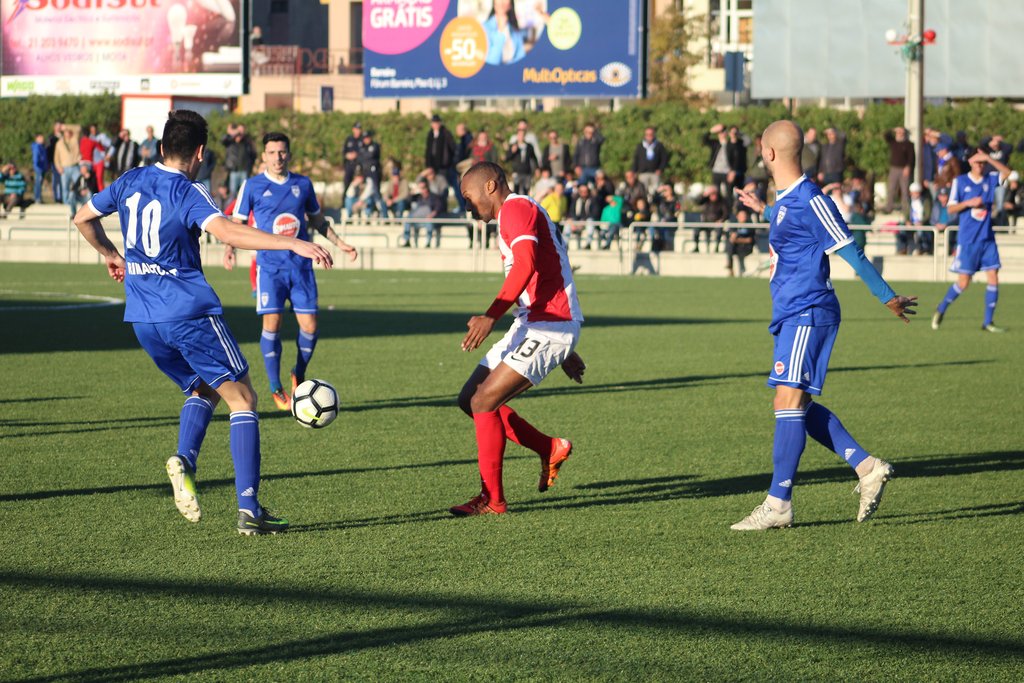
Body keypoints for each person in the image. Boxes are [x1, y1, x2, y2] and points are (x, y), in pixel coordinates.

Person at [73, 109, 334, 535]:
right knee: (243, 399)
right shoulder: (190, 191)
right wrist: (292, 243)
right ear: (199, 153)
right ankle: (249, 509)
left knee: (203, 388)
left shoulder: (130, 180)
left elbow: (83, 218)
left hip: (143, 319)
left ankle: (185, 460)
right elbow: (228, 232)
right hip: (189, 314)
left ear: (162, 147)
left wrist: (111, 254)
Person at [731, 119, 916, 531]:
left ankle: (778, 503)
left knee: (787, 401)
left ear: (768, 153)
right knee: (795, 404)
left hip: (808, 311)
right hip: (791, 312)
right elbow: (789, 222)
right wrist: (761, 209)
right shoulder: (786, 200)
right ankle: (866, 467)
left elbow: (851, 251)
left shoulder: (812, 199)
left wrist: (887, 296)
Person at [452, 161, 584, 516]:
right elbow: (547, 269)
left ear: (490, 186)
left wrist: (490, 315)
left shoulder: (516, 208)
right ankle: (549, 447)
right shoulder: (512, 215)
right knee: (470, 399)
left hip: (549, 326)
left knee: (483, 402)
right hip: (536, 324)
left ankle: (492, 500)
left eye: (467, 196)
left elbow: (526, 265)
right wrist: (565, 350)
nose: (466, 206)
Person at [225, 132, 359, 410]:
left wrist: (341, 243)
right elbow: (237, 224)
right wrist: (229, 248)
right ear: (264, 156)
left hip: (301, 269)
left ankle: (299, 373)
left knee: (310, 326)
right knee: (272, 323)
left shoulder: (303, 184)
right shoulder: (252, 185)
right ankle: (276, 387)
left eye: (282, 152)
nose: (278, 157)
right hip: (270, 269)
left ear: (289, 154)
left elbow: (318, 221)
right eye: (272, 152)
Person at [932, 149, 1012, 333]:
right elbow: (951, 209)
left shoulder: (990, 179)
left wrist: (989, 158)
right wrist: (968, 203)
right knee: (964, 283)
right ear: (970, 163)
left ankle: (988, 322)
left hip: (987, 239)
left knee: (993, 276)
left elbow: (1007, 173)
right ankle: (941, 308)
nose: (980, 165)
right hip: (968, 240)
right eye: (977, 162)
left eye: (983, 163)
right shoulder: (960, 182)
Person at [401, 178, 446, 248]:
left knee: (429, 221)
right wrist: (411, 193)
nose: (422, 189)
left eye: (423, 187)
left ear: (427, 187)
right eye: (420, 188)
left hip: (428, 219)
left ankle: (428, 243)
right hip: (417, 219)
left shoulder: (434, 197)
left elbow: (439, 207)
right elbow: (407, 202)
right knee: (407, 219)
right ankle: (407, 241)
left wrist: (432, 214)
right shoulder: (417, 197)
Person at [425, 114, 457, 204]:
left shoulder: (445, 133)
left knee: (443, 187)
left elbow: (452, 148)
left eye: (437, 123)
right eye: (433, 123)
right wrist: (428, 165)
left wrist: (449, 161)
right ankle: (436, 205)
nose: (435, 125)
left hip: (444, 166)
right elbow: (428, 151)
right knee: (434, 187)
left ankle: (443, 205)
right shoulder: (430, 134)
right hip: (433, 166)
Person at [883, 126, 915, 213]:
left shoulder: (909, 144)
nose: (900, 134)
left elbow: (911, 158)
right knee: (891, 189)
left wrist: (908, 167)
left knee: (905, 190)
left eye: (901, 132)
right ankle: (889, 208)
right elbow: (885, 134)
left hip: (904, 169)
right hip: (894, 168)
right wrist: (893, 129)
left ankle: (905, 210)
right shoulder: (893, 142)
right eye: (898, 132)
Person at [631, 127, 669, 198]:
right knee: (643, 192)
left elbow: (664, 159)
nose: (649, 136)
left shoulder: (659, 145)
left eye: (650, 134)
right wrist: (634, 171)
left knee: (656, 192)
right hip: (643, 173)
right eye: (647, 134)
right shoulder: (640, 146)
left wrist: (660, 169)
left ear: (654, 135)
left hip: (655, 173)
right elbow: (636, 159)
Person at [54, 125, 83, 214]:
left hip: (75, 167)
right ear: (64, 133)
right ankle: (66, 204)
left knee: (79, 185)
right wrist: (58, 167)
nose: (68, 133)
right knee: (65, 187)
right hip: (64, 168)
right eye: (66, 131)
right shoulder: (59, 143)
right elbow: (56, 157)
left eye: (69, 131)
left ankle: (79, 201)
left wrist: (65, 126)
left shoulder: (75, 139)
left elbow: (78, 128)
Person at [222, 123, 256, 197]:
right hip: (233, 170)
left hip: (245, 170)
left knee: (244, 192)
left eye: (242, 130)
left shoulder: (247, 141)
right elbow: (223, 140)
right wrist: (231, 134)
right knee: (233, 193)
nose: (240, 133)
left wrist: (250, 166)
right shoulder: (230, 142)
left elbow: (253, 154)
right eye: (239, 131)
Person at [901, 182, 933, 255]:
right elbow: (905, 213)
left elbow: (927, 214)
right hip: (911, 222)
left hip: (921, 223)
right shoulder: (907, 201)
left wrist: (921, 222)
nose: (915, 194)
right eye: (913, 193)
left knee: (921, 232)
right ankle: (903, 248)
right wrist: (907, 221)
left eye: (917, 193)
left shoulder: (925, 201)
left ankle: (923, 249)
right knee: (902, 229)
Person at [506, 128, 538, 196]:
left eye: (522, 135)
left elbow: (534, 158)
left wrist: (537, 168)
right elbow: (507, 158)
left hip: (527, 172)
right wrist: (512, 151)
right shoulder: (513, 146)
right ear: (517, 136)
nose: (521, 137)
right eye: (519, 135)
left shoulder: (529, 146)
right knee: (516, 191)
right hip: (517, 172)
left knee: (526, 191)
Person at [342, 121, 363, 197]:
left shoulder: (362, 140)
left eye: (359, 129)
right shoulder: (349, 139)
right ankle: (344, 201)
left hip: (358, 165)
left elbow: (364, 152)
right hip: (349, 165)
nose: (358, 131)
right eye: (356, 129)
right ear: (353, 129)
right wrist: (347, 155)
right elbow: (344, 151)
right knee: (346, 184)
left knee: (357, 186)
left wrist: (356, 155)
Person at [47, 122, 63, 203]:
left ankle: (62, 198)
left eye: (60, 126)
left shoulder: (64, 137)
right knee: (56, 180)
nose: (59, 128)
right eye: (57, 126)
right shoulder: (51, 137)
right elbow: (49, 150)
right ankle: (57, 198)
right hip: (54, 162)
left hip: (63, 162)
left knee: (62, 181)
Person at [31, 134, 49, 205]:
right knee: (38, 183)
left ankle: (38, 198)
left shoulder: (42, 146)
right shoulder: (37, 147)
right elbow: (36, 158)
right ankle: (37, 198)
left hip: (42, 168)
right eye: (40, 138)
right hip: (39, 168)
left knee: (40, 183)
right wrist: (37, 166)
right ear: (37, 139)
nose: (42, 139)